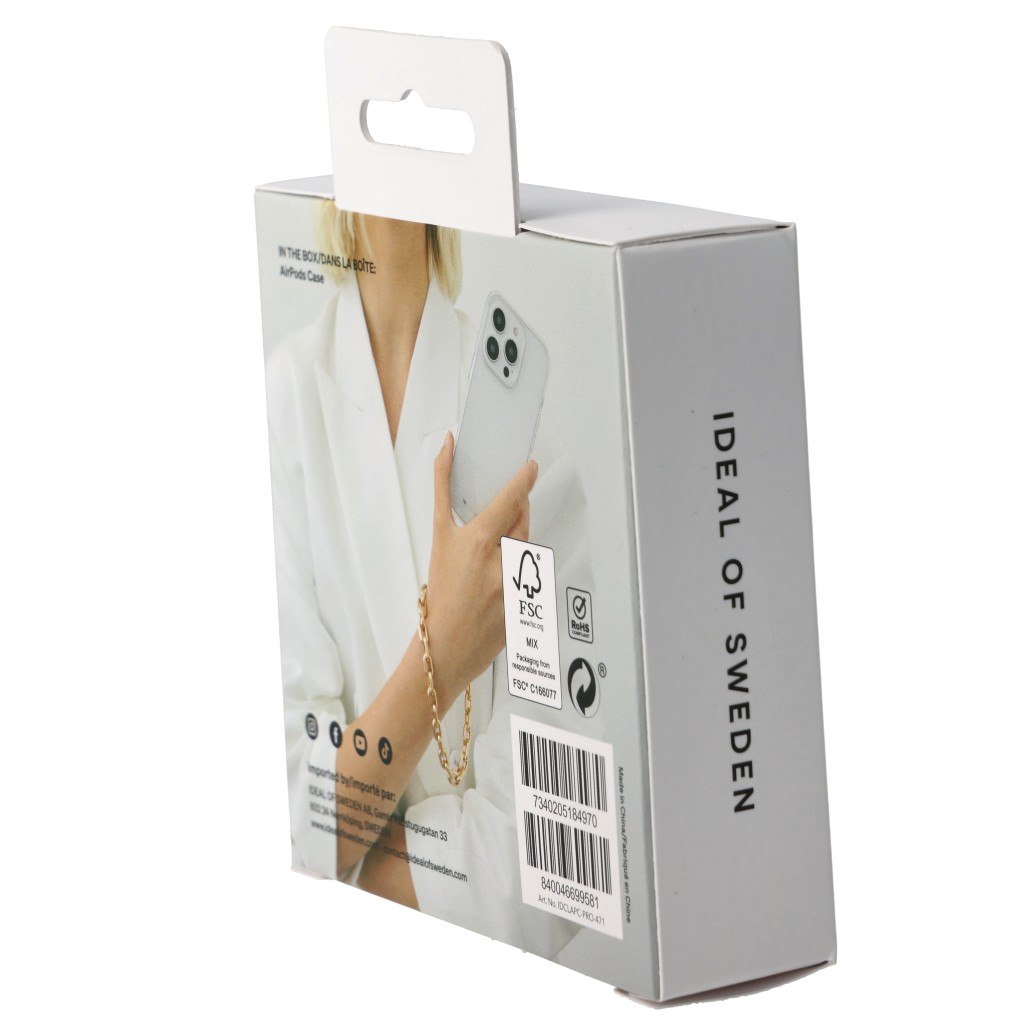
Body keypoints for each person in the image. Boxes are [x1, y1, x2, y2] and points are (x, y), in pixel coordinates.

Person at [265, 206, 592, 955]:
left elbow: (554, 850)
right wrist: (444, 653)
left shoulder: (526, 433)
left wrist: (345, 866)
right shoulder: (286, 398)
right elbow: (291, 806)